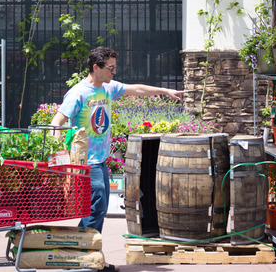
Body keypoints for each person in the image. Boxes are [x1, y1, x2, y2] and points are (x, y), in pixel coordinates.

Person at [50, 47, 182, 272]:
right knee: (96, 208)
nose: (114, 72)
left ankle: (83, 257)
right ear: (96, 67)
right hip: (86, 163)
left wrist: (164, 90)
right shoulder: (79, 93)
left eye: (114, 68)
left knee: (95, 209)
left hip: (100, 160)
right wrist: (61, 155)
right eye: (110, 68)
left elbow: (136, 89)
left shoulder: (108, 88)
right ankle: (87, 259)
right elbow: (56, 122)